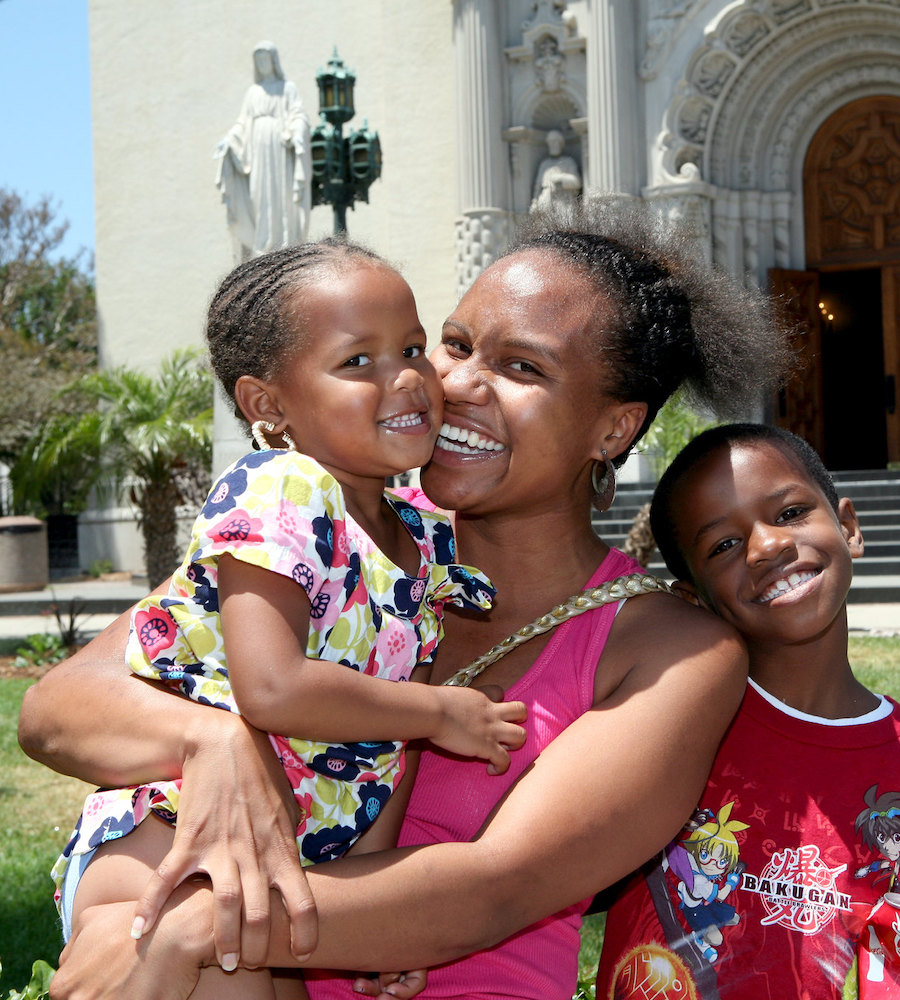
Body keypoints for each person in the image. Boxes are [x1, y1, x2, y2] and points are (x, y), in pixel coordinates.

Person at [20, 202, 788, 1000]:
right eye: (454, 345)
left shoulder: (673, 651)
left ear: (614, 428)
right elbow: (59, 705)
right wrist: (211, 741)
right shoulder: (338, 538)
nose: (452, 383)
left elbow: (496, 886)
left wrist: (189, 927)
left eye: (522, 368)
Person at [51, 238, 527, 1000]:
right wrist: (438, 711)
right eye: (357, 362)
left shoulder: (427, 542)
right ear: (268, 406)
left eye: (411, 347)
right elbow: (272, 687)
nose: (406, 378)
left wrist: (369, 913)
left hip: (279, 872)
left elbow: (384, 759)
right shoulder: (284, 491)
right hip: (175, 844)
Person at [596, 423, 900, 1000]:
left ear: (849, 528)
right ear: (693, 598)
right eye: (723, 545)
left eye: (788, 513)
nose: (766, 546)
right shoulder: (664, 730)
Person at [215, 42, 311, 260]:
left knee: (281, 195)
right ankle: (264, 243)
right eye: (258, 61)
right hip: (257, 152)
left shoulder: (288, 88)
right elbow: (242, 123)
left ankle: (284, 243)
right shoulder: (253, 92)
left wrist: (297, 132)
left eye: (265, 59)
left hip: (280, 151)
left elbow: (299, 114)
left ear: (273, 61)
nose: (262, 64)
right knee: (260, 196)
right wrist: (228, 141)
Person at [530, 130, 582, 211]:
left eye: (555, 142)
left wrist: (561, 177)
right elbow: (537, 187)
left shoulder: (568, 161)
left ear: (561, 144)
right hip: (546, 201)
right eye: (550, 142)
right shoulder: (544, 164)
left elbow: (577, 182)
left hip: (564, 202)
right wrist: (535, 203)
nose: (553, 145)